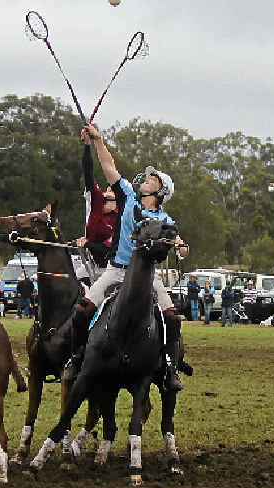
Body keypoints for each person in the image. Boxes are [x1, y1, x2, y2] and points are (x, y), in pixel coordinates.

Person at [62, 124, 189, 392]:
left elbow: (175, 237)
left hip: (146, 277)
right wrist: (97, 140)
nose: (146, 179)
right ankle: (77, 357)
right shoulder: (127, 196)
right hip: (116, 270)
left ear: (160, 192)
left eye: (152, 179)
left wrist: (180, 247)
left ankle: (168, 366)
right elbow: (109, 166)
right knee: (81, 310)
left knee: (171, 318)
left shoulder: (164, 219)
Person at [76, 128, 120, 271]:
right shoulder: (97, 202)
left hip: (112, 268)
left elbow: (105, 249)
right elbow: (88, 172)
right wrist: (87, 146)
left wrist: (87, 243)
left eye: (112, 193)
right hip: (91, 264)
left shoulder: (121, 219)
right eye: (107, 190)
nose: (107, 193)